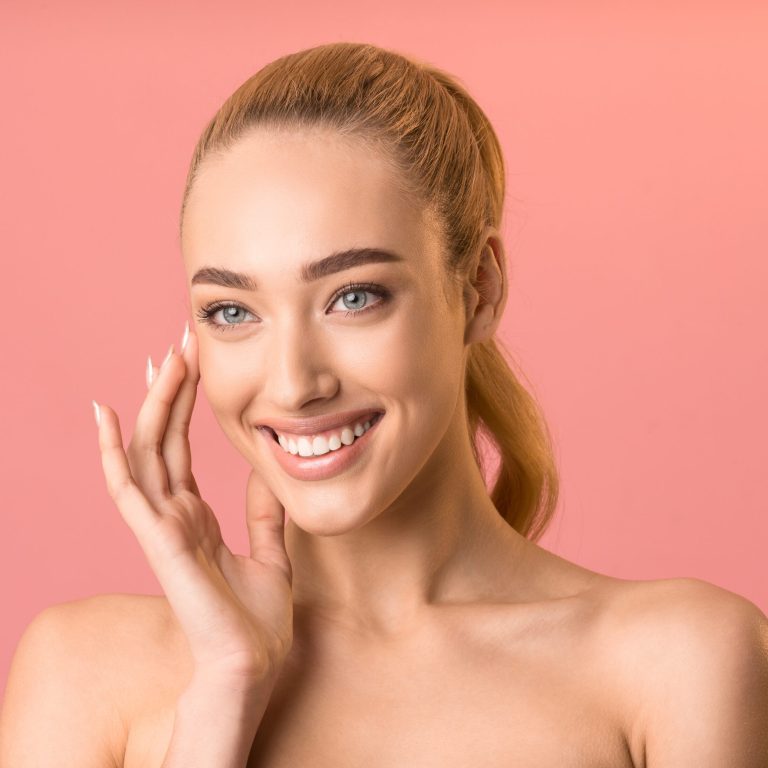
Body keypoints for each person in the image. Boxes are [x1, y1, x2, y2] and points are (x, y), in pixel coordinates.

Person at [1, 41, 766, 768]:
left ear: (479, 289)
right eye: (233, 311)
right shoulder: (82, 674)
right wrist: (223, 692)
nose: (295, 383)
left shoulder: (679, 662)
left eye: (354, 296)